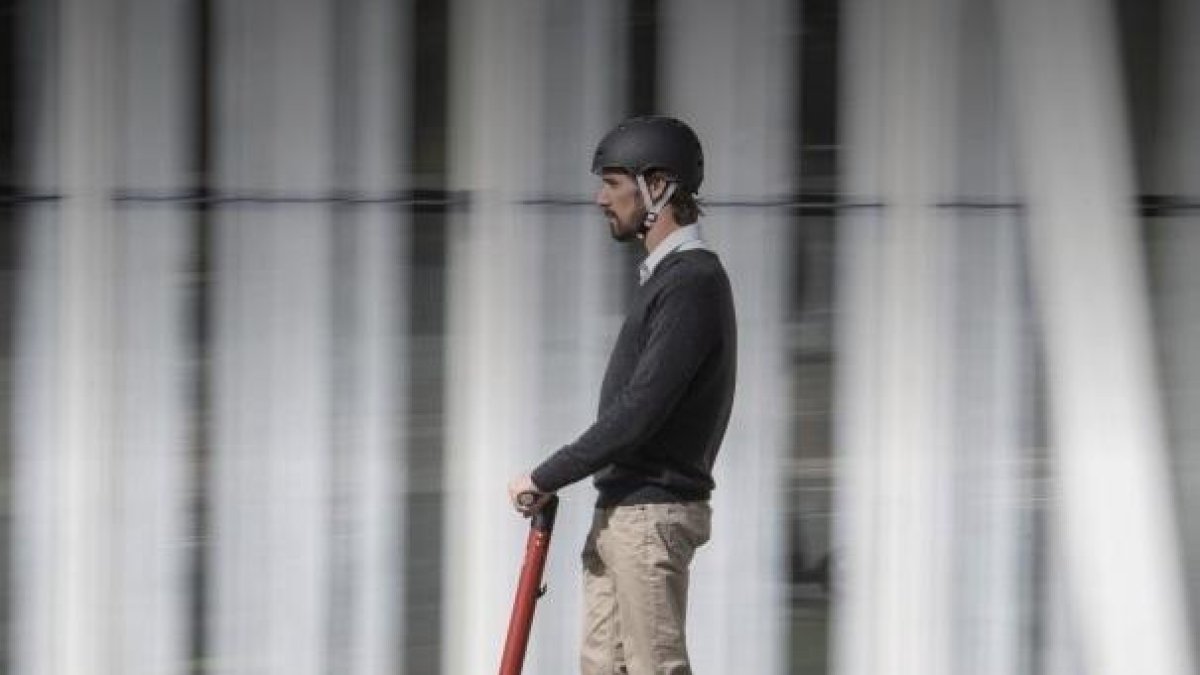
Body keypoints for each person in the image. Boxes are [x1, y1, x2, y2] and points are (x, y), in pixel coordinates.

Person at [508, 115, 737, 675]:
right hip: (623, 512)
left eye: (612, 182)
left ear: (657, 185)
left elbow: (639, 411)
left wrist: (547, 474)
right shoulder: (667, 280)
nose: (599, 198)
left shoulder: (692, 282)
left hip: (650, 516)